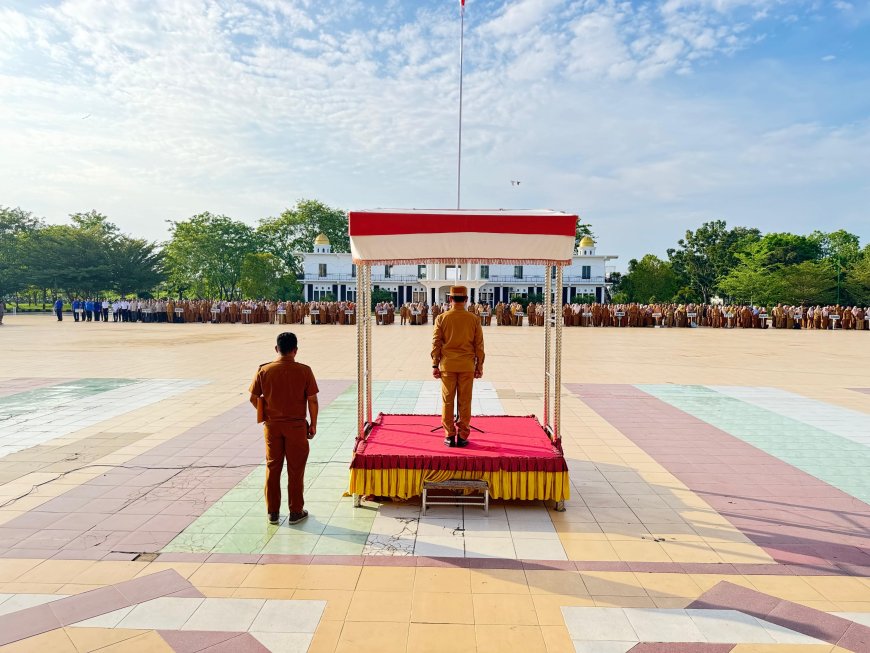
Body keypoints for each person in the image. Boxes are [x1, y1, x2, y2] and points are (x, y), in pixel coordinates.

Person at [249, 332, 319, 526]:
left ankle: (273, 512)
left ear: (276, 349)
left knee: (273, 467)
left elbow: (253, 398)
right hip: (296, 427)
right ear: (295, 350)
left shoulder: (264, 370)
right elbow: (312, 400)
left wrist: (266, 414)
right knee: (296, 470)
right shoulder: (304, 371)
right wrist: (313, 424)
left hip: (272, 427)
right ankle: (295, 511)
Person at [431, 285, 485, 448]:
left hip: (447, 365)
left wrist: (435, 364)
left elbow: (436, 343)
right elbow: (479, 345)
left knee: (447, 401)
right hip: (467, 366)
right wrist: (479, 366)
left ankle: (449, 435)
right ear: (466, 299)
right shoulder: (474, 319)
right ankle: (462, 435)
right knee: (465, 401)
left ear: (450, 299)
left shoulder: (442, 318)